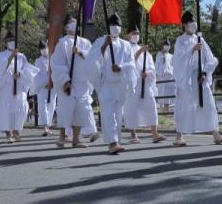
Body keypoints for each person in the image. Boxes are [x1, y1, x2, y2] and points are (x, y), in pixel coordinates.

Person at [172, 10, 222, 147]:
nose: (194, 24)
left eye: (194, 21)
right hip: (187, 78)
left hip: (200, 76)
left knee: (208, 104)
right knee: (184, 106)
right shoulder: (180, 40)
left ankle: (216, 135)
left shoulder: (200, 39)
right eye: (190, 22)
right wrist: (192, 50)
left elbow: (211, 59)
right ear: (184, 25)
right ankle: (179, 136)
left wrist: (204, 72)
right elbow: (178, 61)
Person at [89, 13, 136, 155]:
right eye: (113, 25)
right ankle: (112, 142)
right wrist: (104, 46)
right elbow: (92, 60)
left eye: (118, 26)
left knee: (118, 114)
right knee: (108, 113)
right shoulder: (100, 41)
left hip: (120, 83)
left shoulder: (126, 45)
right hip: (106, 84)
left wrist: (121, 67)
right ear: (108, 27)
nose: (115, 28)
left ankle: (116, 140)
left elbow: (131, 63)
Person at [51, 14, 94, 149]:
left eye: (75, 22)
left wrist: (80, 52)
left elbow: (92, 59)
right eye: (71, 22)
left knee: (81, 110)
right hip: (68, 83)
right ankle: (62, 136)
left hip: (82, 82)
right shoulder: (62, 44)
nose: (74, 24)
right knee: (66, 110)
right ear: (65, 27)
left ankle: (76, 139)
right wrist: (65, 81)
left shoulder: (85, 42)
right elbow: (57, 64)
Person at [124, 25, 164, 144]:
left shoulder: (145, 51)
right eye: (133, 32)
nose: (136, 34)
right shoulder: (125, 48)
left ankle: (155, 133)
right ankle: (133, 134)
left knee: (151, 106)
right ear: (128, 35)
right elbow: (127, 64)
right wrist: (139, 52)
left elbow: (152, 66)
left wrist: (148, 73)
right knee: (132, 108)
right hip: (133, 85)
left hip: (145, 84)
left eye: (137, 32)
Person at [0, 32, 36, 143]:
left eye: (13, 40)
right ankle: (8, 133)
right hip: (6, 86)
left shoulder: (22, 56)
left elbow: (28, 70)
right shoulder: (0, 56)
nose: (11, 42)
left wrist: (21, 74)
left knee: (21, 107)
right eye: (9, 40)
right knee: (5, 109)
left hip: (19, 85)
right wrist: (11, 57)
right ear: (5, 43)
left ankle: (16, 130)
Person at [32, 40, 57, 136]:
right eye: (41, 49)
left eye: (45, 48)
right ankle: (45, 127)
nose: (44, 50)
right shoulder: (37, 61)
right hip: (42, 87)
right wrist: (44, 83)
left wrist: (53, 82)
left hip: (53, 86)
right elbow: (37, 75)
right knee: (42, 106)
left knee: (52, 105)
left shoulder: (54, 58)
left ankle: (48, 125)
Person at [155, 40, 175, 114]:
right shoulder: (159, 54)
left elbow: (173, 66)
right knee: (161, 93)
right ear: (163, 45)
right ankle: (161, 109)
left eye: (168, 45)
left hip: (169, 77)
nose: (167, 46)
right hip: (162, 77)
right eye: (166, 44)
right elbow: (157, 65)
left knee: (168, 94)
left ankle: (166, 109)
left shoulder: (171, 56)